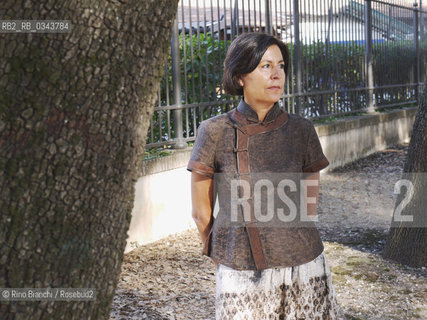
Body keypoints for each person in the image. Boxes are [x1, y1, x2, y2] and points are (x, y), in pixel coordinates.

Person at [188, 32, 340, 319]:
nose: (276, 75)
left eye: (280, 65)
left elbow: (309, 204)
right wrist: (222, 252)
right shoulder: (215, 130)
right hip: (242, 268)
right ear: (240, 77)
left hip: (305, 264)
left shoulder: (301, 129)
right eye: (265, 66)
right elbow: (200, 212)